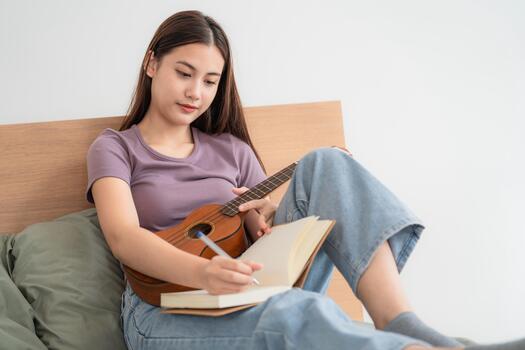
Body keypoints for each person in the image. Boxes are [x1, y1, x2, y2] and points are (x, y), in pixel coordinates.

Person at [85, 10, 524, 350]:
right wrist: (205, 272)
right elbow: (123, 237)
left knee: (326, 161)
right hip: (162, 308)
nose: (195, 92)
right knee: (296, 311)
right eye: (184, 73)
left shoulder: (231, 149)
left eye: (210, 81)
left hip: (253, 286)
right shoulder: (115, 148)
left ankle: (398, 322)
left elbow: (269, 229)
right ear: (151, 64)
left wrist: (264, 216)